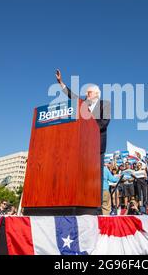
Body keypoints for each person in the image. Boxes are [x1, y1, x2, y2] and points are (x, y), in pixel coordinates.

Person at [55, 69, 111, 209]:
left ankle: (97, 207)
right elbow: (73, 97)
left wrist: (90, 129)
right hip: (83, 146)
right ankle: (84, 204)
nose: (86, 94)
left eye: (89, 92)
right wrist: (61, 83)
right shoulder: (83, 105)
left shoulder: (105, 104)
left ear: (96, 94)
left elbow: (104, 123)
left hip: (97, 145)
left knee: (96, 175)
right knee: (83, 174)